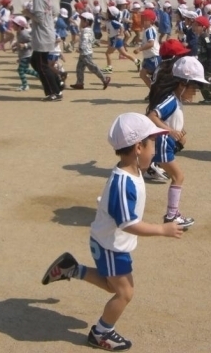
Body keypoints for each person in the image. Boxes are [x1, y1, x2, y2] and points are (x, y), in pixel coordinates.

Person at [40, 112, 183, 352]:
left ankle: (72, 268)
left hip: (110, 243)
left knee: (111, 286)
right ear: (138, 147)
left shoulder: (132, 172)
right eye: (152, 145)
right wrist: (162, 229)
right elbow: (127, 224)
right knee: (125, 293)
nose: (155, 152)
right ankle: (101, 333)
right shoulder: (123, 182)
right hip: (110, 245)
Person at [147, 56, 208, 227]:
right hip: (164, 145)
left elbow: (171, 121)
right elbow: (152, 116)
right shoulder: (171, 100)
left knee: (136, 171)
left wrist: (179, 133)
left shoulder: (177, 100)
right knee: (178, 176)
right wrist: (170, 131)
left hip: (167, 144)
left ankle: (172, 215)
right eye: (194, 87)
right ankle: (171, 216)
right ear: (182, 84)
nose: (195, 92)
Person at [27, 0, 64, 101]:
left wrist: (28, 13)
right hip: (47, 32)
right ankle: (57, 84)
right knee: (35, 61)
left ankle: (54, 92)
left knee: (42, 66)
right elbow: (54, 11)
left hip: (42, 35)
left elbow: (39, 18)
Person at [70, 12, 111, 90]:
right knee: (79, 68)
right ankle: (79, 83)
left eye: (82, 21)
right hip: (84, 53)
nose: (80, 22)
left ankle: (105, 79)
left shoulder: (86, 30)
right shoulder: (88, 30)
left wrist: (81, 48)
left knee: (92, 67)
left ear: (87, 22)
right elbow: (92, 40)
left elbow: (85, 40)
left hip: (86, 53)